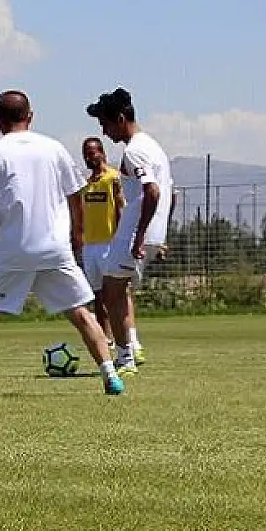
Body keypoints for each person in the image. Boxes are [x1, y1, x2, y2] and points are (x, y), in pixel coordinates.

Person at [0, 91, 124, 398]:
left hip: (14, 251)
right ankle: (111, 376)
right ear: (30, 116)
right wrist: (77, 235)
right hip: (55, 248)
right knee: (80, 313)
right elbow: (75, 195)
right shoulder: (54, 148)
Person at [86, 87, 176, 374]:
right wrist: (161, 233)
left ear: (121, 119)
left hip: (133, 234)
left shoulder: (135, 151)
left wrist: (139, 237)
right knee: (118, 290)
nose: (104, 131)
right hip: (149, 234)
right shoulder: (154, 147)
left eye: (106, 123)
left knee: (110, 293)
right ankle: (131, 349)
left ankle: (125, 358)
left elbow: (152, 191)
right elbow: (172, 194)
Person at [78, 136, 125, 344]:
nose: (88, 158)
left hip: (109, 243)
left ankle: (123, 336)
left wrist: (122, 239)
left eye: (92, 153)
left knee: (112, 294)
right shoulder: (86, 184)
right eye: (85, 155)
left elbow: (121, 209)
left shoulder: (113, 178)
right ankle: (105, 338)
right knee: (97, 294)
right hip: (90, 246)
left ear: (102, 153)